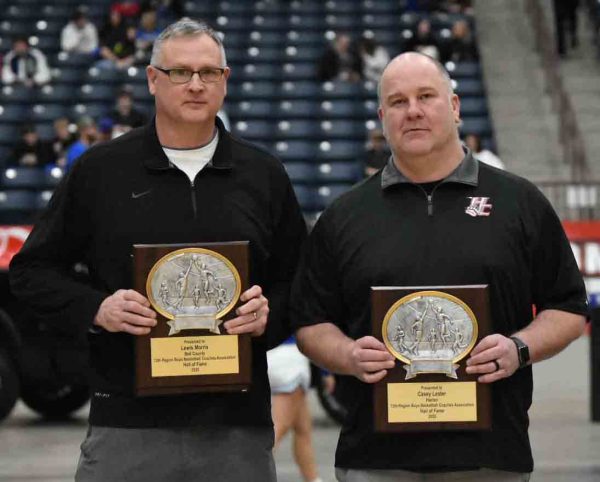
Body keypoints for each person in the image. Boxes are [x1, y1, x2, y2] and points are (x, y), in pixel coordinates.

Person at [10, 18, 306, 481]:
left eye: (208, 72)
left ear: (225, 81)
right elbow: (32, 272)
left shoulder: (263, 175)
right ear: (152, 79)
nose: (195, 84)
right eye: (179, 72)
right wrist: (97, 307)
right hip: (126, 425)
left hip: (235, 430)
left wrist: (271, 316)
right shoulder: (100, 171)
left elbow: (302, 283)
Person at [290, 52, 588, 481]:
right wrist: (348, 355)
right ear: (382, 116)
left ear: (454, 106)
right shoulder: (343, 215)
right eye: (398, 101)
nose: (412, 111)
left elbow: (568, 309)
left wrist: (518, 349)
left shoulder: (519, 203)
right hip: (374, 460)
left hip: (490, 459)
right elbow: (310, 323)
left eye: (426, 96)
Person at [268, 336, 323, 482]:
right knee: (278, 429)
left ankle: (312, 479)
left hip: (270, 354)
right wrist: (325, 372)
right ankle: (250, 474)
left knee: (302, 428)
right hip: (291, 358)